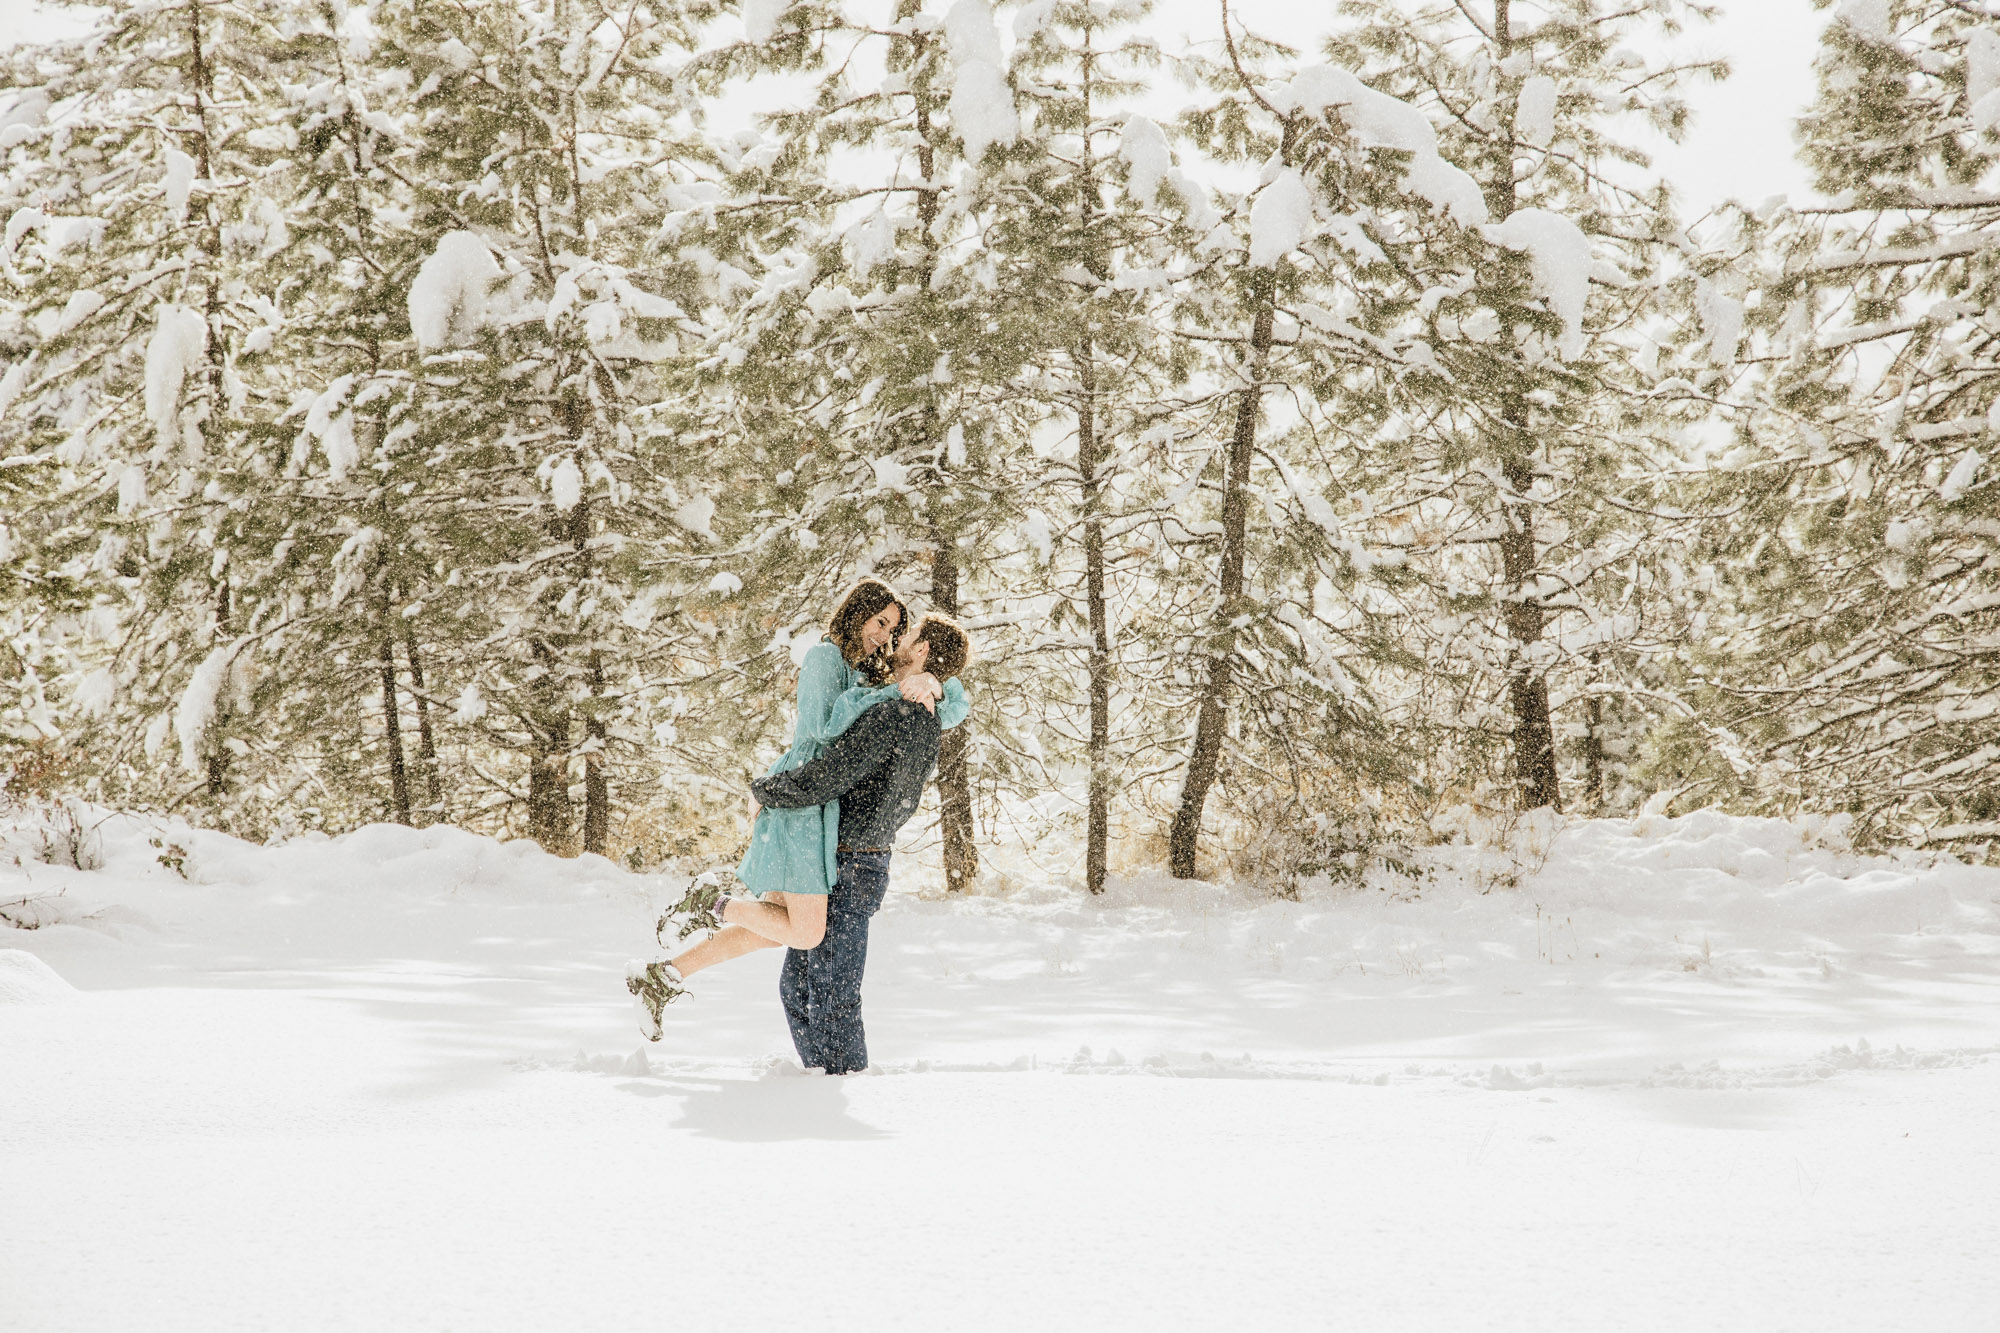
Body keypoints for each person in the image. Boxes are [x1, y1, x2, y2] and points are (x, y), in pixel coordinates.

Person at [630, 613, 973, 1073]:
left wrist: (765, 790)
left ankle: (839, 1087)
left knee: (829, 995)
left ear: (925, 652)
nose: (894, 640)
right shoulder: (916, 706)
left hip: (853, 862)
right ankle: (673, 974)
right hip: (844, 856)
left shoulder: (900, 712)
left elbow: (830, 774)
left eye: (906, 636)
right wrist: (935, 682)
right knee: (801, 986)